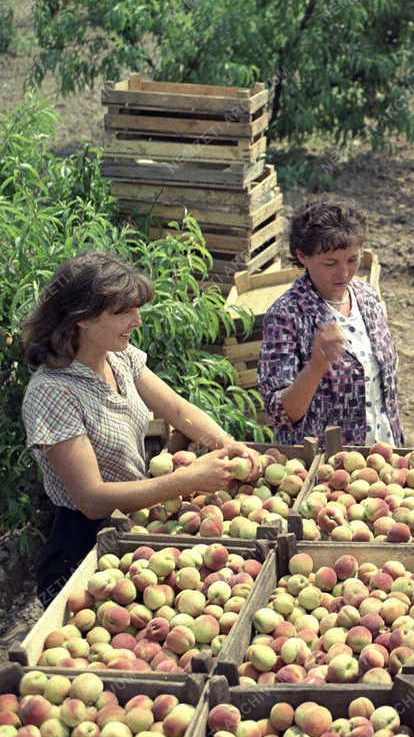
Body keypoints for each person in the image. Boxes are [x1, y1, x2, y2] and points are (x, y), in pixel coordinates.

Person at [21, 251, 260, 603]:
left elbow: (178, 410)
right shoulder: (53, 393)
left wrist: (226, 443)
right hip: (86, 545)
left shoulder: (119, 357)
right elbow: (91, 499)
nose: (138, 321)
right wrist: (189, 479)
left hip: (136, 520)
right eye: (123, 312)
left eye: (137, 309)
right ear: (82, 318)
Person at [258, 198, 402, 448]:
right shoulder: (287, 315)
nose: (344, 273)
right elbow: (280, 413)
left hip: (381, 458)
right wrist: (315, 368)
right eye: (330, 263)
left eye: (352, 260)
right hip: (324, 468)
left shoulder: (366, 298)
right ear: (302, 257)